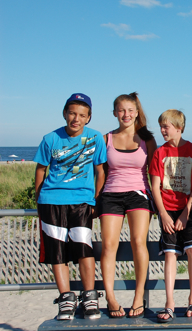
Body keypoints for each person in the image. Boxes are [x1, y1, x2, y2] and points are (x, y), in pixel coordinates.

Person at [34, 93, 106, 320]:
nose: (76, 118)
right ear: (65, 113)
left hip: (82, 202)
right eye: (72, 113)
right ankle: (66, 298)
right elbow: (40, 170)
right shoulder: (50, 139)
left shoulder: (95, 138)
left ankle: (89, 296)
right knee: (57, 253)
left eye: (82, 115)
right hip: (51, 201)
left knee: (85, 249)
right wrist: (39, 201)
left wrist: (95, 199)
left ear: (89, 118)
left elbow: (100, 172)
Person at [99, 92, 157, 318]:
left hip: (139, 194)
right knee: (109, 245)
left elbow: (155, 173)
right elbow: (100, 173)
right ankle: (111, 298)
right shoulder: (106, 139)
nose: (126, 114)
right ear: (114, 112)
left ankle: (138, 296)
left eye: (130, 110)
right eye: (121, 110)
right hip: (111, 195)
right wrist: (95, 200)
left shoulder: (147, 139)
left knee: (138, 242)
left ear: (136, 112)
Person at [149, 110, 192, 323]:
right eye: (161, 126)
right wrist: (163, 214)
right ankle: (169, 302)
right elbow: (155, 186)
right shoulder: (159, 153)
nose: (163, 130)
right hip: (167, 210)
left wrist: (186, 211)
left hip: (189, 210)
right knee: (170, 254)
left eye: (167, 126)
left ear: (179, 127)